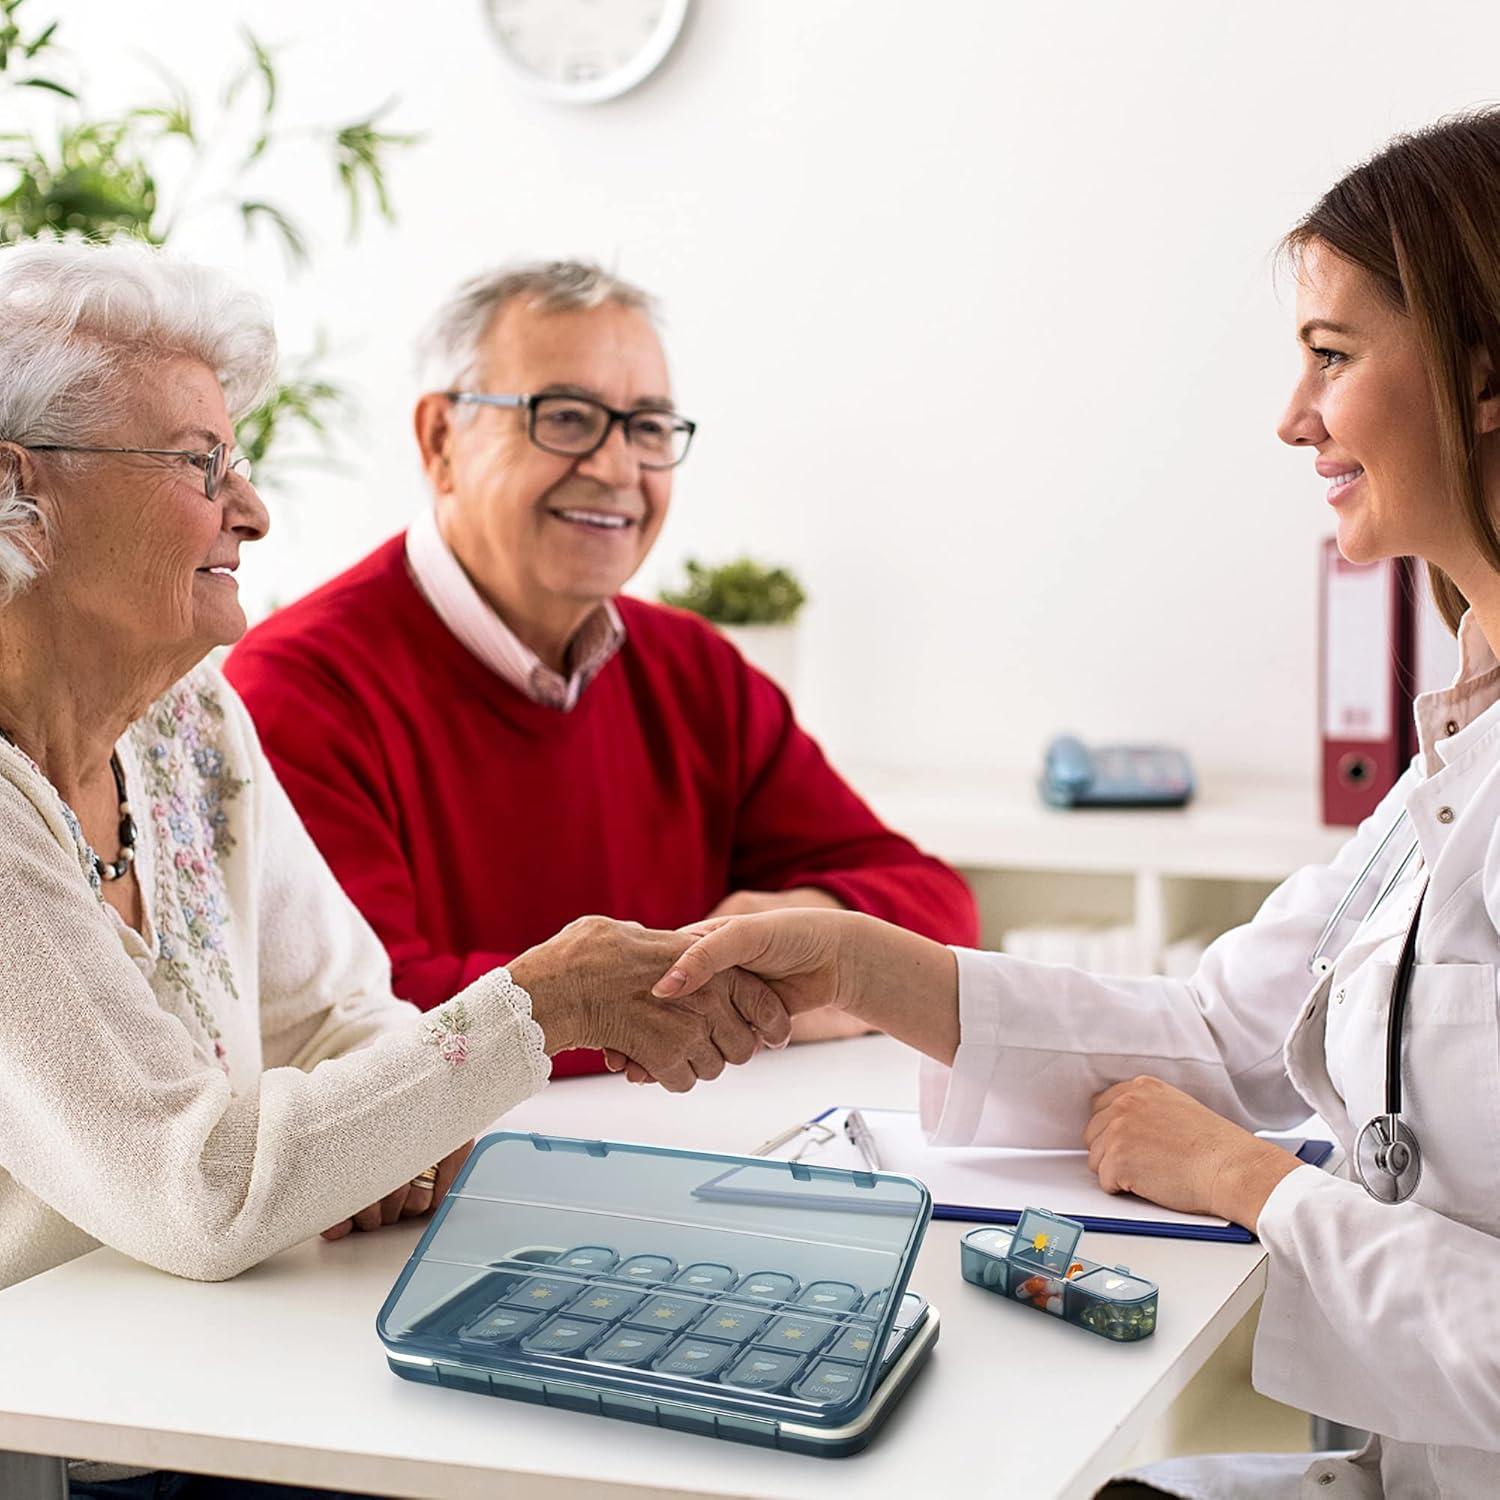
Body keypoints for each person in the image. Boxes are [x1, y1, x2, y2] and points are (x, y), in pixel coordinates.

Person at [643, 110, 1500, 1499]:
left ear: (1485, 375)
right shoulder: (1455, 758)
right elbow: (1225, 1032)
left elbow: (1236, 1120)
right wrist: (860, 960)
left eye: (1331, 358)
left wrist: (1252, 1185)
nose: (1293, 418)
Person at [0, 238, 790, 1499]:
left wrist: (390, 1131)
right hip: (63, 1432)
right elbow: (200, 1187)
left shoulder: (190, 725)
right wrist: (550, 1001)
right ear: (16, 494)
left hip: (212, 1371)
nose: (250, 510)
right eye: (201, 465)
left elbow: (339, 1013)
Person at [222, 261, 977, 1074]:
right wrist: (691, 1001)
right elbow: (372, 1021)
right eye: (569, 417)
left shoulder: (696, 670)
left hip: (706, 1152)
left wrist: (820, 934)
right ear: (441, 440)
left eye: (648, 428)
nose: (619, 469)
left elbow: (933, 899)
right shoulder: (296, 690)